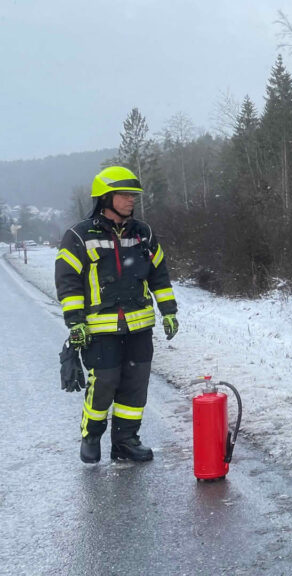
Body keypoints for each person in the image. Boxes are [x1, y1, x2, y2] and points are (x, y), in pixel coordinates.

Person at [54, 166, 179, 463]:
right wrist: (76, 322)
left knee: (135, 386)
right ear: (105, 198)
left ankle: (125, 441)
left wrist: (169, 312)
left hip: (139, 327)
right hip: (99, 329)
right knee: (105, 383)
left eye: (132, 195)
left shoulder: (143, 233)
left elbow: (159, 275)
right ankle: (92, 435)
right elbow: (68, 282)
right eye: (124, 195)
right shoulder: (79, 236)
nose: (131, 200)